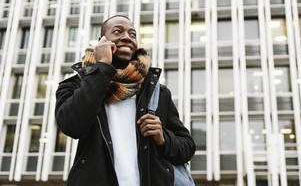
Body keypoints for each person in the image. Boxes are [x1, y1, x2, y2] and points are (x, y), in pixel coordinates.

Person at [55, 15, 196, 186]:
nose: (127, 37)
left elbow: (187, 146)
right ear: (102, 41)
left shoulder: (156, 91)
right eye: (117, 31)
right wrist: (102, 67)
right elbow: (72, 126)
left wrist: (163, 137)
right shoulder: (75, 86)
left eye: (133, 34)